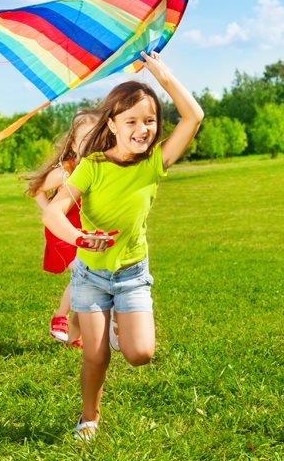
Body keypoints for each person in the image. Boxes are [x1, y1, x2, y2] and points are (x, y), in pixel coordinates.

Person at [42, 51, 203, 440]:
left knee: (140, 354)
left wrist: (162, 75)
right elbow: (54, 212)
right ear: (111, 124)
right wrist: (81, 238)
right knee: (95, 354)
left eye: (150, 120)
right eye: (131, 120)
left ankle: (121, 325)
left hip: (132, 274)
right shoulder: (92, 165)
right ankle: (88, 418)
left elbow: (194, 117)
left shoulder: (155, 162)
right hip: (91, 275)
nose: (143, 128)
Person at [24, 108, 99, 347]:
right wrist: (49, 212)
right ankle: (60, 316)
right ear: (73, 144)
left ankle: (76, 335)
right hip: (62, 230)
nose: (89, 144)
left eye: (95, 138)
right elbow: (36, 189)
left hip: (82, 230)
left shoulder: (99, 167)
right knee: (82, 271)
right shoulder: (65, 171)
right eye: (84, 139)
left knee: (89, 277)